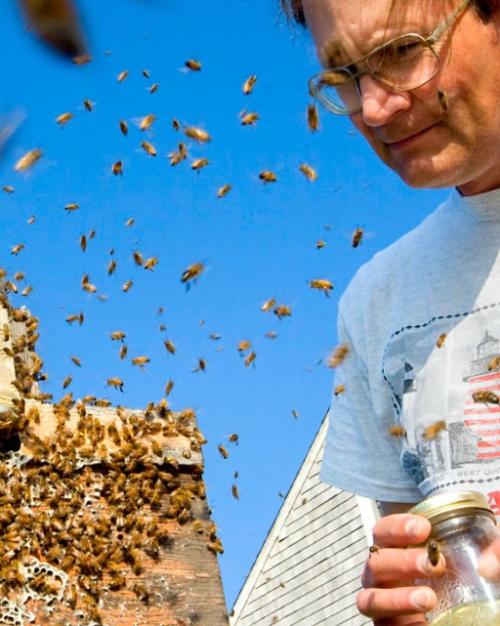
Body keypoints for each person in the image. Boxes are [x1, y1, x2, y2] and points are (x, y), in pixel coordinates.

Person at [281, 0, 500, 623]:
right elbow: (423, 564)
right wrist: (412, 603)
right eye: (345, 75)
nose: (374, 108)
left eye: (402, 51)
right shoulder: (378, 300)